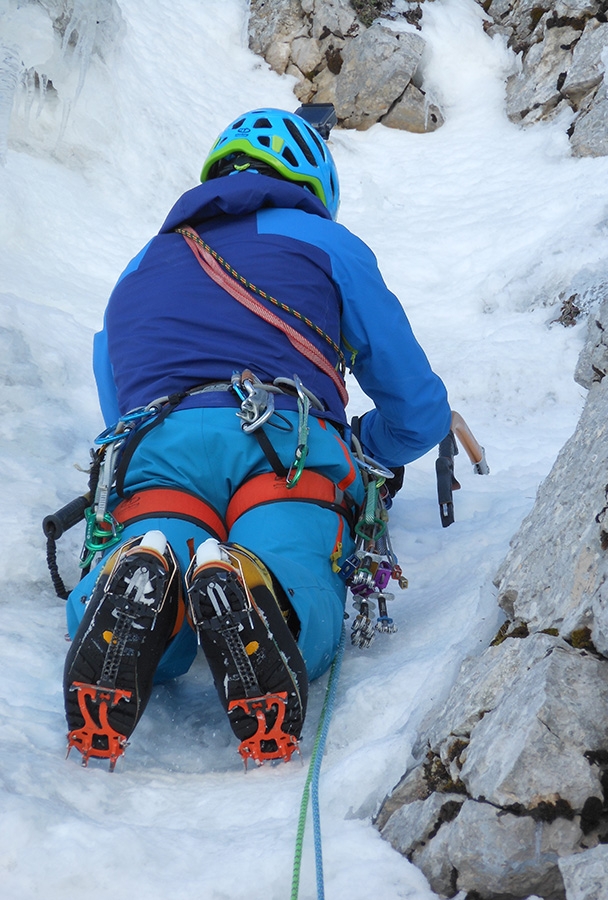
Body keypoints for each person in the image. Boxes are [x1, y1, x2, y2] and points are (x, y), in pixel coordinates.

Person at [63, 106, 451, 770]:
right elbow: (417, 410)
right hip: (282, 444)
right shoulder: (325, 243)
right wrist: (369, 449)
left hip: (157, 449)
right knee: (293, 570)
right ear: (313, 180)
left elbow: (117, 401)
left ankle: (143, 581)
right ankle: (253, 588)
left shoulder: (140, 265)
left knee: (156, 543)